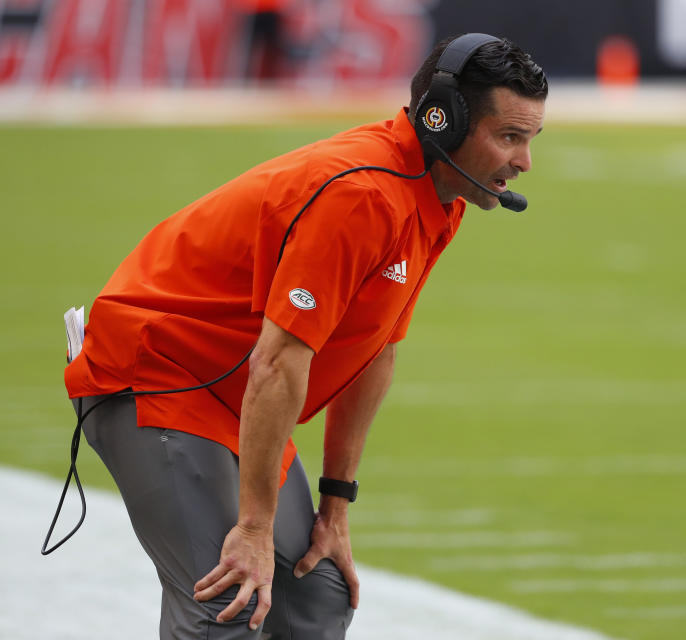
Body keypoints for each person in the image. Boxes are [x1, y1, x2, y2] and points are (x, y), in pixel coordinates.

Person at [62, 34, 547, 639]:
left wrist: (335, 507)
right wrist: (255, 526)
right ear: (441, 122)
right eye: (509, 137)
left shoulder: (437, 194)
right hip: (158, 374)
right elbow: (278, 362)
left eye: (530, 139)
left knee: (318, 595)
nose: (524, 161)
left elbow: (378, 348)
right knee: (229, 604)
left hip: (229, 391)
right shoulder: (362, 195)